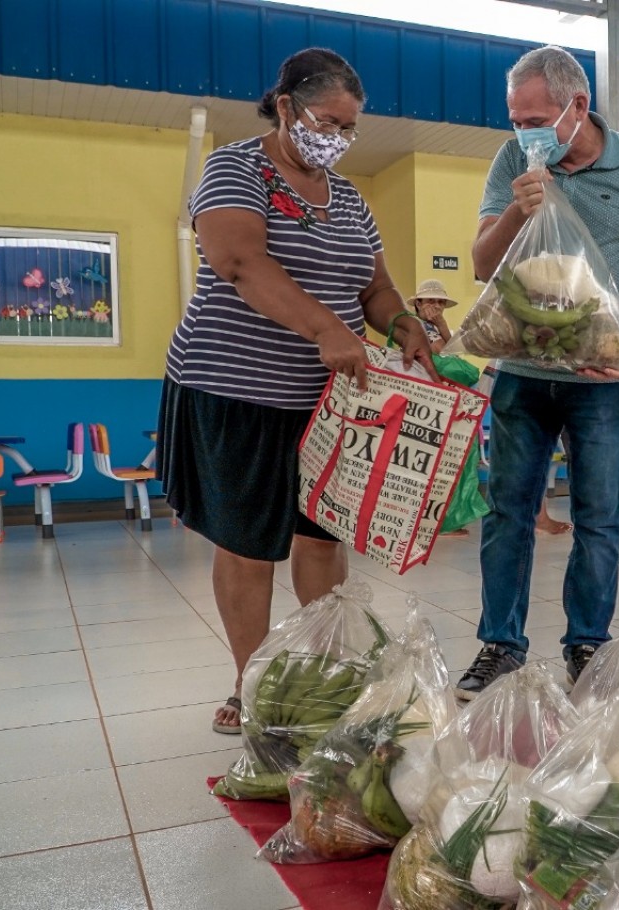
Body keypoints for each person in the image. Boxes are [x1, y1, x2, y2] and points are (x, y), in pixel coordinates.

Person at [156, 48, 435, 734]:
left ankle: (317, 671)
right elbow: (239, 260)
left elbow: (373, 286)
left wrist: (404, 324)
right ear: (286, 107)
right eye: (328, 121)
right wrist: (323, 330)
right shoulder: (235, 168)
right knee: (249, 543)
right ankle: (254, 688)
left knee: (320, 537)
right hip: (235, 388)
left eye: (350, 129)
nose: (337, 138)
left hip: (325, 400)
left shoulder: (347, 198)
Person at [459, 44, 619, 698]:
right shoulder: (512, 161)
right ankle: (500, 644)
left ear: (577, 106)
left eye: (534, 118)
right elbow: (480, 262)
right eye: (514, 119)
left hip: (603, 381)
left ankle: (588, 643)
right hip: (523, 370)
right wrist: (517, 212)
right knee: (509, 511)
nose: (523, 132)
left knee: (599, 514)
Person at [406, 278, 457, 353]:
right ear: (418, 304)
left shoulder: (437, 327)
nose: (437, 306)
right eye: (431, 301)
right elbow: (444, 355)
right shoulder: (416, 326)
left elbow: (455, 354)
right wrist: (442, 325)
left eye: (441, 302)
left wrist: (442, 326)